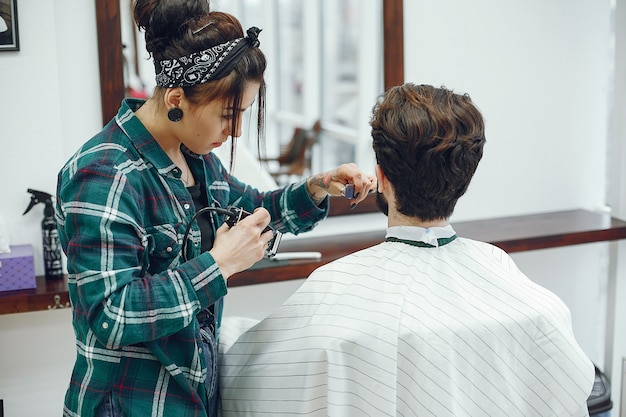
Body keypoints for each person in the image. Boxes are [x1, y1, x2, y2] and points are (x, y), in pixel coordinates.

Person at [55, 1, 375, 416]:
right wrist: (218, 265)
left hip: (195, 399)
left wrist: (317, 188)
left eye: (241, 114)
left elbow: (253, 208)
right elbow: (112, 315)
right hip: (130, 404)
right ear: (176, 98)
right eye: (228, 115)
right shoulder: (104, 174)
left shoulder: (196, 158)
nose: (236, 129)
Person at [218, 83, 596, 416]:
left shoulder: (335, 285)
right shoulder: (515, 283)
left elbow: (253, 381)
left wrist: (222, 334)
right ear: (465, 178)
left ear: (380, 177)